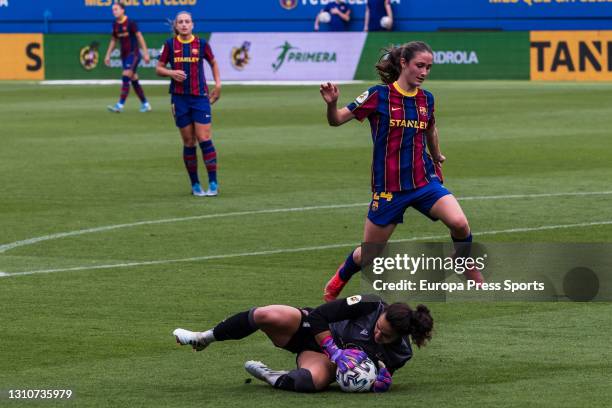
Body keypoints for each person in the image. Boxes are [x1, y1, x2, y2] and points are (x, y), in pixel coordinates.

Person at [320, 41, 484, 302]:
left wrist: (436, 155)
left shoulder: (426, 99)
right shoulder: (378, 95)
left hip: (423, 181)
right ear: (403, 63)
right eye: (420, 66)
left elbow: (430, 128)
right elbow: (336, 119)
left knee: (459, 223)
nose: (425, 72)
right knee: (371, 253)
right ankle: (340, 276)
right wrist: (332, 103)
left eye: (429, 67)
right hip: (389, 188)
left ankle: (463, 262)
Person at [173, 294, 433, 393]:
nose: (378, 335)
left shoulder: (402, 353)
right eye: (378, 328)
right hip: (312, 330)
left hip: (324, 360)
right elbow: (320, 315)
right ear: (382, 314)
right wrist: (335, 349)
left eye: (385, 337)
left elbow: (377, 371)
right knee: (266, 314)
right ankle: (203, 337)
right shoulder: (370, 304)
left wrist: (380, 382)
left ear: (401, 337)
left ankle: (271, 375)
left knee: (310, 382)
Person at [156, 11, 221, 197]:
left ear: (193, 25)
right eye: (180, 22)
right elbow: (158, 68)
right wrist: (171, 73)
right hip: (179, 98)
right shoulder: (170, 45)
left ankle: (213, 183)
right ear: (176, 26)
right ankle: (195, 184)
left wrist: (218, 85)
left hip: (200, 97)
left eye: (187, 21)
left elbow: (214, 63)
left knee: (204, 138)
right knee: (189, 141)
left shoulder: (201, 44)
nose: (184, 24)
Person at [104, 2, 151, 113]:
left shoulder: (130, 23)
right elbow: (113, 40)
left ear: (122, 10)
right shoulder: (115, 24)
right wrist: (107, 55)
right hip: (124, 56)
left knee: (126, 76)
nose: (114, 11)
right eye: (113, 10)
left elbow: (139, 37)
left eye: (116, 9)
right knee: (133, 80)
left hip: (133, 54)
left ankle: (119, 105)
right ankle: (146, 104)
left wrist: (146, 53)